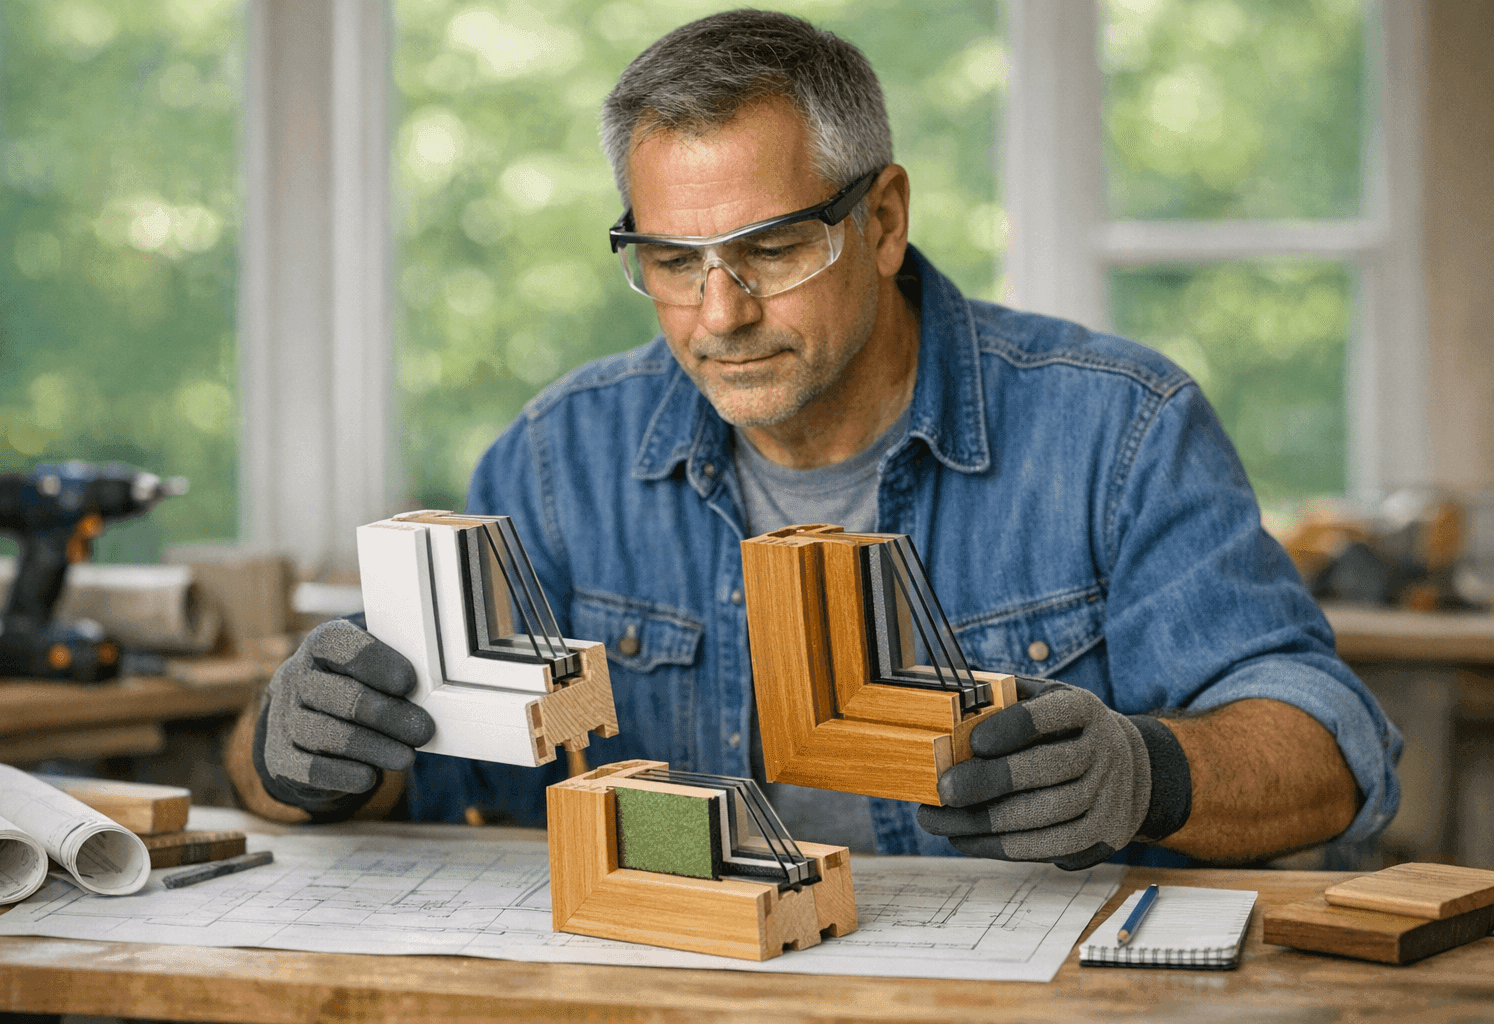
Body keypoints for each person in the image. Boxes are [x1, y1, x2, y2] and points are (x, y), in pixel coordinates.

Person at [230, 10, 1400, 868]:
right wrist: (294, 756)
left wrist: (1150, 774)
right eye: (672, 261)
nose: (719, 315)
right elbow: (412, 776)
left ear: (882, 220)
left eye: (772, 250)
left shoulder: (1117, 428)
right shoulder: (557, 458)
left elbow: (1331, 747)